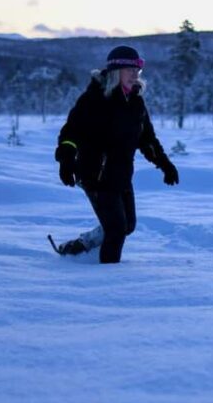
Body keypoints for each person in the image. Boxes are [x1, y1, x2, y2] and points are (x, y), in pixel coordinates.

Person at [53, 45, 179, 264]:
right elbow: (70, 133)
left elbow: (147, 139)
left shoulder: (135, 102)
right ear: (115, 71)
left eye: (137, 69)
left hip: (120, 175)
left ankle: (81, 246)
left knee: (128, 225)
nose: (135, 74)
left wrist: (165, 164)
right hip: (95, 176)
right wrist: (66, 159)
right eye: (129, 69)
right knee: (116, 230)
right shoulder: (93, 99)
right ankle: (108, 281)